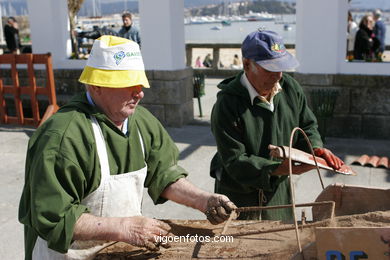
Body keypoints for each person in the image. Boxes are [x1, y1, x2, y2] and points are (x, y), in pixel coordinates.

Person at [18, 35, 236, 260]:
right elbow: (53, 215)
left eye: (139, 83)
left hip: (118, 250)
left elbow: (163, 174)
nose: (139, 93)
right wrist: (123, 227)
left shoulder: (140, 121)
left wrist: (203, 199)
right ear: (96, 86)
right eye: (127, 85)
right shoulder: (62, 137)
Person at [209, 30, 345, 221]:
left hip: (279, 194)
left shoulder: (290, 88)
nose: (277, 76)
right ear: (247, 64)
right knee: (241, 246)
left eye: (281, 67)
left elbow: (307, 125)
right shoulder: (227, 104)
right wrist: (278, 168)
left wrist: (315, 148)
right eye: (269, 69)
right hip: (239, 197)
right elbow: (234, 160)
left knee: (283, 241)